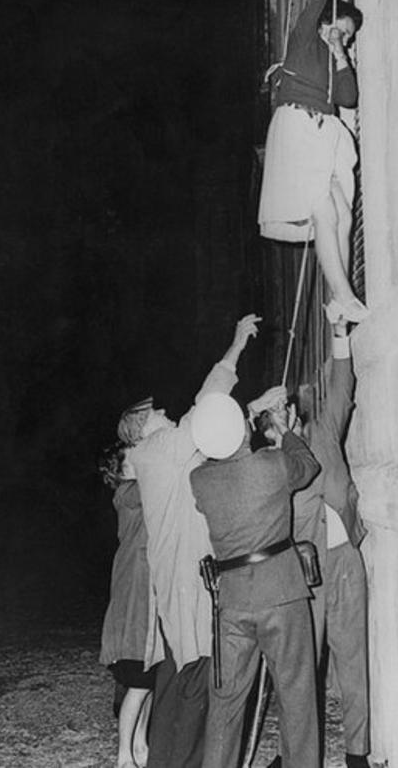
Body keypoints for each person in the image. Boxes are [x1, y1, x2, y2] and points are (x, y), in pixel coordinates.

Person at [116, 314, 261, 768]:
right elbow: (209, 404)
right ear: (142, 427)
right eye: (155, 412)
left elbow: (215, 432)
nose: (164, 412)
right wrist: (236, 346)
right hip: (184, 584)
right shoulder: (158, 451)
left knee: (191, 677)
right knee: (189, 678)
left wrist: (251, 410)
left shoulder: (163, 453)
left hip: (186, 581)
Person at [253, 319, 370, 768]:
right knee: (300, 675)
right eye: (276, 417)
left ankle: (358, 754)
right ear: (266, 431)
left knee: (353, 664)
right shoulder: (269, 466)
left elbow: (342, 389)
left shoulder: (321, 433)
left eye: (287, 408)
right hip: (305, 577)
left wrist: (339, 334)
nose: (288, 414)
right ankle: (295, 758)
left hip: (344, 564)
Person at [189, 392, 321, 768]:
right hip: (281, 593)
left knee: (225, 704)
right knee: (296, 698)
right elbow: (307, 466)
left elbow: (214, 449)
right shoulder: (273, 465)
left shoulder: (199, 480)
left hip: (230, 602)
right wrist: (285, 428)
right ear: (244, 430)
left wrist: (243, 419)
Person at [257, 0, 368, 325]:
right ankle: (343, 295)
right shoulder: (303, 41)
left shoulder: (333, 59)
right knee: (322, 207)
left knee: (343, 210)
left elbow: (348, 97)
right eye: (337, 28)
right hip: (297, 126)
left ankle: (340, 297)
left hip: (324, 131)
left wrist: (342, 56)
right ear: (322, 24)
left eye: (347, 35)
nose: (340, 36)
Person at [98, 442, 156, 768]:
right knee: (138, 680)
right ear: (121, 470)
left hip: (145, 582)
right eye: (132, 459)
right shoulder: (127, 491)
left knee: (148, 680)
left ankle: (141, 745)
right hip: (135, 583)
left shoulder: (134, 489)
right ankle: (124, 756)